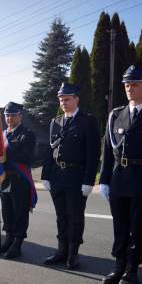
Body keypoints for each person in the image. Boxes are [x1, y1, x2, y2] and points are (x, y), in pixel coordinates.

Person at [99, 65, 142, 284]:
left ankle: (132, 269)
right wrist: (105, 180)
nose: (130, 88)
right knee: (120, 226)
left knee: (137, 227)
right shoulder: (115, 115)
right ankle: (119, 265)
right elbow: (108, 152)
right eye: (127, 84)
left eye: (135, 84)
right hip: (119, 178)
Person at [41, 82, 101, 269]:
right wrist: (46, 175)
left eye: (67, 99)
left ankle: (73, 254)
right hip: (57, 175)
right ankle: (61, 251)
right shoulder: (55, 122)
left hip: (76, 176)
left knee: (75, 216)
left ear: (77, 99)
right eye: (61, 100)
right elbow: (50, 150)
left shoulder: (88, 121)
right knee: (61, 217)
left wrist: (88, 181)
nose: (63, 102)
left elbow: (93, 153)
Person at [0, 102, 36, 259]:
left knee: (20, 212)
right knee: (7, 211)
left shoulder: (27, 134)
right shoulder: (2, 134)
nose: (9, 118)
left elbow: (26, 157)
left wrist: (6, 150)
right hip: (4, 178)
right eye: (7, 115)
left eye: (13, 115)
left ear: (20, 116)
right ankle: (9, 238)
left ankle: (18, 243)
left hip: (19, 178)